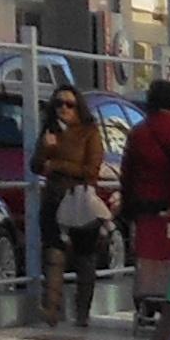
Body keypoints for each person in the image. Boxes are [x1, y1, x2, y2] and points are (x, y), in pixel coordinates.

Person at [117, 71, 170, 310]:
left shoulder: (138, 132)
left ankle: (145, 297)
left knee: (147, 252)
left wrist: (127, 203)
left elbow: (127, 171)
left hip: (142, 203)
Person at [36, 79, 111, 325]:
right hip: (54, 198)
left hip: (80, 199)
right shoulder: (50, 131)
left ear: (78, 106)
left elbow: (91, 169)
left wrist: (56, 163)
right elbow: (36, 166)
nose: (64, 109)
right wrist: (46, 151)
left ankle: (82, 314)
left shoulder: (89, 132)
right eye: (58, 104)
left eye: (69, 104)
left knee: (85, 257)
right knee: (53, 253)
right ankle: (52, 311)